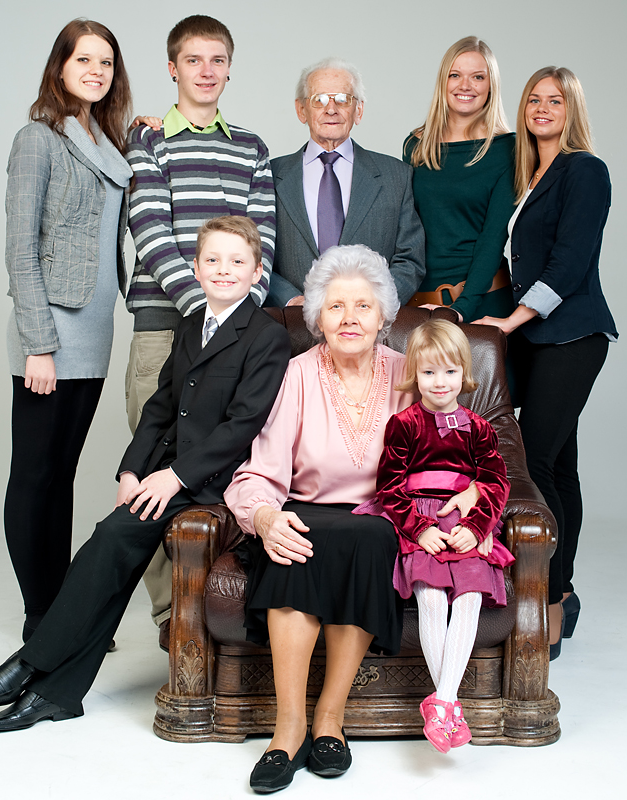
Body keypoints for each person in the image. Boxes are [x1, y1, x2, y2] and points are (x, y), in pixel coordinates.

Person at [0, 217, 292, 732]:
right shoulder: (190, 324)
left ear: (257, 272)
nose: (223, 270)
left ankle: (31, 663)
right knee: (114, 551)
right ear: (195, 268)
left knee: (112, 538)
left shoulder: (267, 337)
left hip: (220, 481)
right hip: (170, 473)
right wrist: (132, 469)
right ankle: (57, 694)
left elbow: (242, 426)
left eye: (237, 261)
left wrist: (173, 478)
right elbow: (161, 407)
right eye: (212, 259)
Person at [223, 246, 478, 793]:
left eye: (363, 305)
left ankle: (329, 720)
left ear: (384, 315)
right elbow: (261, 468)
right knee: (293, 537)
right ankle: (287, 729)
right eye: (336, 306)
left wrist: (470, 497)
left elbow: (457, 449)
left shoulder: (409, 372)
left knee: (367, 538)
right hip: (307, 508)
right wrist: (264, 516)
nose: (350, 318)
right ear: (317, 317)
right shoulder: (296, 374)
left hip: (384, 516)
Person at [125, 15, 277, 642]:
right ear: (173, 68)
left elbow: (262, 240)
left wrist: (234, 319)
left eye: (217, 60)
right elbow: (150, 229)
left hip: (233, 329)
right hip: (167, 323)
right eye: (193, 60)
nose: (206, 70)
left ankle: (227, 603)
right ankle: (174, 617)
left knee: (223, 459)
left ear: (229, 69)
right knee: (158, 466)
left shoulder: (252, 148)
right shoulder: (149, 141)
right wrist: (206, 312)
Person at [473, 67, 618, 659]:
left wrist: (509, 322)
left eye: (554, 101)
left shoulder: (585, 169)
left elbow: (570, 260)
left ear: (571, 109)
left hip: (571, 333)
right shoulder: (527, 172)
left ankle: (547, 600)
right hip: (537, 338)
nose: (542, 109)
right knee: (558, 465)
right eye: (533, 99)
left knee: (533, 463)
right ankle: (566, 592)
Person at [3, 19, 133, 643]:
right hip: (49, 333)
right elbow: (20, 248)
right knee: (35, 476)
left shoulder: (109, 142)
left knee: (63, 476)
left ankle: (57, 608)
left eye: (106, 63)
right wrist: (38, 345)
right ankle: (40, 617)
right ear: (60, 66)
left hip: (95, 329)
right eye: (84, 60)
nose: (96, 71)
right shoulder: (38, 139)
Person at [354, 319, 514, 752]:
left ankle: (442, 701)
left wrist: (477, 526)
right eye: (428, 372)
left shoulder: (479, 427)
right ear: (415, 374)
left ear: (464, 373)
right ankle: (448, 707)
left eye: (449, 371)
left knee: (469, 597)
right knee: (431, 597)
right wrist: (420, 529)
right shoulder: (404, 423)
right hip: (418, 518)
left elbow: (495, 481)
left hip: (465, 522)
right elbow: (389, 487)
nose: (439, 382)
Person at [266, 57, 425, 308]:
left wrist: (370, 304)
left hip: (370, 324)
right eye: (319, 99)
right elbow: (255, 254)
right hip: (290, 322)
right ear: (301, 109)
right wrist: (291, 300)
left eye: (343, 99)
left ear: (358, 110)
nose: (331, 109)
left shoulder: (396, 175)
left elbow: (411, 258)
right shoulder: (270, 175)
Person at [403, 37, 515, 322]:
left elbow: (493, 238)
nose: (465, 85)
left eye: (478, 77)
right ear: (443, 81)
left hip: (482, 305)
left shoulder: (507, 150)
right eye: (455, 75)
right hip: (420, 306)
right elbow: (404, 231)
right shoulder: (416, 146)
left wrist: (461, 309)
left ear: (491, 86)